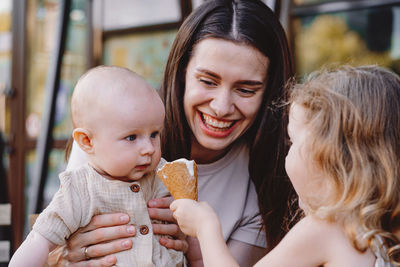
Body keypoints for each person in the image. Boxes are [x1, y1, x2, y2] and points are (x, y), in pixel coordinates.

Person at [49, 0, 297, 266]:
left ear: (269, 93)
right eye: (207, 81)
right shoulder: (110, 132)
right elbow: (47, 243)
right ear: (182, 74)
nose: (222, 107)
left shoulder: (265, 180)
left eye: (246, 90)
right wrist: (66, 256)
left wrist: (190, 249)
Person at [170, 65, 400, 266]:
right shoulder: (385, 237)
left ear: (327, 154)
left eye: (292, 141)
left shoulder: (324, 230)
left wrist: (205, 228)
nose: (286, 155)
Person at [10, 66, 186, 267]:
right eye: (131, 137)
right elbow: (39, 240)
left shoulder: (162, 174)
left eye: (155, 134)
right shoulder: (78, 189)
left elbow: (191, 230)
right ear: (87, 141)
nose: (149, 148)